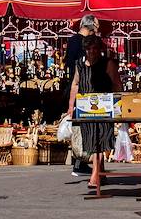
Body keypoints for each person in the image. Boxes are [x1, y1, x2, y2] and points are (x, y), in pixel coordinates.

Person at [68, 34, 119, 193]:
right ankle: (101, 173)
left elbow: (117, 84)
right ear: (85, 50)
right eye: (89, 49)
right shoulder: (80, 65)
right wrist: (71, 106)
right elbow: (75, 85)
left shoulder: (107, 64)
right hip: (85, 110)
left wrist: (119, 106)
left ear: (100, 49)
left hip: (105, 108)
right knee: (91, 141)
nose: (92, 52)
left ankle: (95, 176)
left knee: (100, 140)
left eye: (95, 49)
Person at [63, 15, 98, 177]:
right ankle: (79, 164)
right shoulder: (82, 43)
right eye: (96, 27)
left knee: (82, 129)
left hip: (77, 89)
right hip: (81, 90)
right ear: (91, 27)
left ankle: (80, 164)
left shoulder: (72, 41)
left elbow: (68, 63)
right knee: (83, 129)